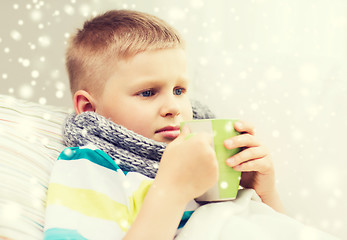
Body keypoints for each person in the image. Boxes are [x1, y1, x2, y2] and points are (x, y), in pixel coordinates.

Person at [44, 9, 285, 240]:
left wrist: (265, 193)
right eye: (148, 92)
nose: (174, 107)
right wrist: (172, 191)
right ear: (88, 108)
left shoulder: (207, 156)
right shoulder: (90, 166)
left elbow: (275, 230)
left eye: (179, 90)